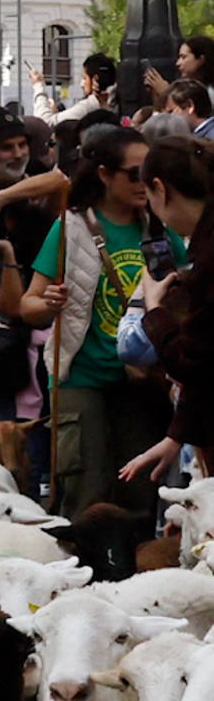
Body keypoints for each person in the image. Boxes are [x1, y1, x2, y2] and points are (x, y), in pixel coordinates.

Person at [19, 125, 172, 520]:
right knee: (85, 490)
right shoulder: (71, 227)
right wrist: (48, 302)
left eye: (151, 173)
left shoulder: (162, 227)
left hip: (142, 380)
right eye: (133, 174)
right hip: (79, 378)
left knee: (139, 492)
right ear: (104, 174)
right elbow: (27, 304)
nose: (145, 183)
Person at [122, 137, 214, 485]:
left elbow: (192, 361)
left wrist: (154, 307)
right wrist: (176, 436)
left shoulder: (208, 260)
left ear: (159, 188)